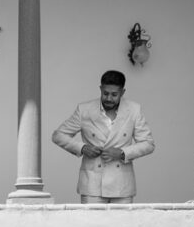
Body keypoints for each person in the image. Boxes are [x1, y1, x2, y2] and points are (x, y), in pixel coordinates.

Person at [51, 70, 154, 204]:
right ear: (100, 89)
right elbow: (58, 135)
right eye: (105, 93)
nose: (109, 98)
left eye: (114, 94)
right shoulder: (84, 110)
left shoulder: (134, 110)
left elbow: (148, 144)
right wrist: (82, 148)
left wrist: (122, 153)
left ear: (122, 92)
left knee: (121, 225)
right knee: (92, 224)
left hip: (121, 185)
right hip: (92, 185)